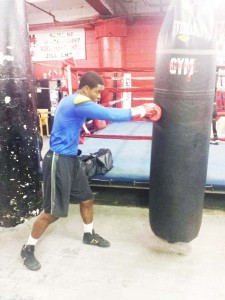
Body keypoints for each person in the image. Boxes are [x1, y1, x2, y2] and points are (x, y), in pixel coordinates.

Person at [21, 71, 162, 271]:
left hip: (71, 159)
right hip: (58, 161)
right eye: (97, 92)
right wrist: (143, 109)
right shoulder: (77, 102)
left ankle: (89, 234)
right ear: (86, 88)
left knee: (86, 198)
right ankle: (28, 248)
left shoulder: (73, 100)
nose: (98, 96)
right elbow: (111, 115)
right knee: (52, 213)